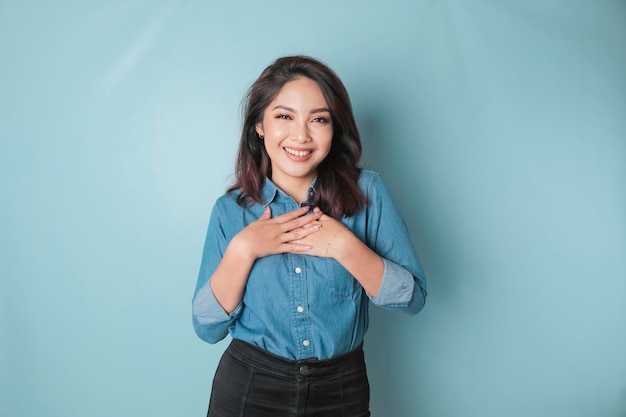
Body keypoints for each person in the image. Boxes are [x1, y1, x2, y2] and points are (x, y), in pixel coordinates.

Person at [192, 55, 427, 417]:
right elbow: (207, 328)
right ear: (259, 125)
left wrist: (345, 246)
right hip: (249, 387)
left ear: (335, 129)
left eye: (318, 119)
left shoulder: (370, 193)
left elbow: (411, 299)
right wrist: (244, 249)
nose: (301, 135)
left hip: (341, 388)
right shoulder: (231, 211)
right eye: (284, 117)